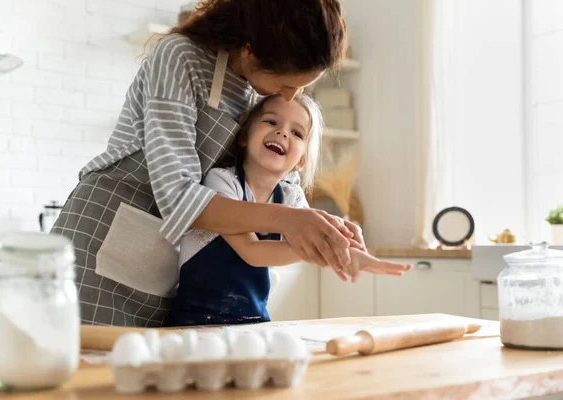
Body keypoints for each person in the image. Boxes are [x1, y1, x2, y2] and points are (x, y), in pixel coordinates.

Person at [51, 0, 365, 327]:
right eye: (286, 85)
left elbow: (282, 185)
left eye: (301, 87)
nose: (289, 97)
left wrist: (328, 231)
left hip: (167, 264)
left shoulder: (258, 91)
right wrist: (288, 221)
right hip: (104, 241)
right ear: (251, 51)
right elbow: (177, 197)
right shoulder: (180, 57)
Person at [167, 94, 412, 326]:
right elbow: (252, 251)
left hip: (253, 320)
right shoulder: (222, 181)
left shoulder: (291, 197)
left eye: (297, 133)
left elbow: (317, 237)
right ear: (244, 136)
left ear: (301, 161)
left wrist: (345, 252)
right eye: (270, 121)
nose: (282, 131)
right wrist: (318, 252)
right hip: (195, 321)